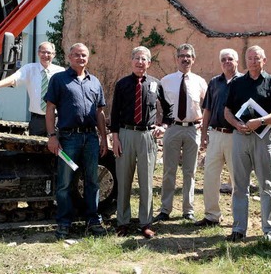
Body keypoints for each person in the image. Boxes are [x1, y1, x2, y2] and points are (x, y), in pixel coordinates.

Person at [224, 45, 271, 242]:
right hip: (240, 138)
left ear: (264, 60)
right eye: (250, 58)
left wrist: (260, 122)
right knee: (240, 185)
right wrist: (236, 124)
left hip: (264, 139)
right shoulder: (237, 84)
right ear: (246, 61)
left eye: (257, 58)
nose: (253, 61)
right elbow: (227, 111)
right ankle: (238, 228)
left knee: (266, 184)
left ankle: (268, 230)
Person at [44, 43, 108, 239]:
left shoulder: (94, 82)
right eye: (77, 55)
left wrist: (104, 138)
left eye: (84, 55)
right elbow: (49, 109)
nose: (81, 58)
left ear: (88, 58)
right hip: (68, 138)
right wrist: (52, 136)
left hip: (90, 138)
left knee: (92, 181)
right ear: (69, 57)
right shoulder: (59, 80)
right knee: (64, 182)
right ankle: (64, 222)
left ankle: (93, 220)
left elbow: (100, 113)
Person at [110, 46, 169, 239]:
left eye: (143, 59)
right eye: (136, 58)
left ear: (149, 63)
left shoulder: (155, 84)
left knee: (147, 182)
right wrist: (115, 138)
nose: (140, 62)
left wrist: (163, 126)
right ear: (131, 61)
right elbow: (114, 113)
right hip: (126, 135)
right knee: (124, 180)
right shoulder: (122, 84)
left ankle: (145, 223)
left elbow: (168, 109)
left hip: (147, 137)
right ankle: (123, 222)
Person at [154, 43, 207, 222]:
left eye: (188, 56)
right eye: (182, 56)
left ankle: (188, 210)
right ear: (176, 59)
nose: (185, 59)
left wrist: (203, 124)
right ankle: (165, 209)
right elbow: (157, 104)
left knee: (190, 171)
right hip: (173, 129)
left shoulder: (200, 81)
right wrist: (161, 122)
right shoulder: (166, 80)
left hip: (193, 130)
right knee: (169, 170)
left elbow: (207, 105)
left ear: (193, 59)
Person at [195, 48, 242, 227]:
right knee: (210, 176)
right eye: (223, 59)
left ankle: (238, 217)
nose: (227, 62)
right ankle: (212, 216)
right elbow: (207, 109)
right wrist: (204, 134)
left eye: (230, 59)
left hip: (235, 136)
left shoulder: (244, 82)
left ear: (237, 62)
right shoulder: (215, 82)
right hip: (215, 135)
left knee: (237, 179)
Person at [0, 42, 64, 136]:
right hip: (37, 120)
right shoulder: (30, 69)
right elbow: (14, 78)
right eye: (43, 52)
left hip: (56, 119)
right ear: (38, 53)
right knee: (35, 149)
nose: (45, 55)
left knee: (56, 148)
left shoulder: (61, 71)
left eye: (49, 53)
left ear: (54, 54)